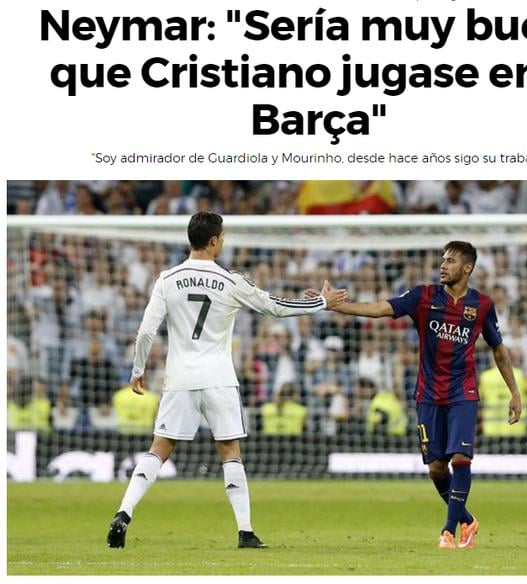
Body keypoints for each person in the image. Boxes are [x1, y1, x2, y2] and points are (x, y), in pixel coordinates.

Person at [107, 212, 347, 550]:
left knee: (159, 448)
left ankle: (124, 512)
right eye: (222, 237)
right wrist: (320, 302)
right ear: (214, 241)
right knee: (230, 450)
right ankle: (245, 531)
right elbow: (275, 307)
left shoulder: (167, 279)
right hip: (218, 378)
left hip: (180, 378)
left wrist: (137, 368)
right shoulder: (230, 280)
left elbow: (146, 330)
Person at [308, 241, 522, 549]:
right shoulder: (423, 296)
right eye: (442, 260)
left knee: (461, 457)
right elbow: (379, 309)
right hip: (428, 394)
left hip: (463, 392)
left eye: (450, 260)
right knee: (436, 468)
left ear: (468, 268)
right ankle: (467, 521)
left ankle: (448, 532)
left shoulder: (482, 305)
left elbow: (498, 349)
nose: (443, 265)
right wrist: (334, 306)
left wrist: (514, 392)